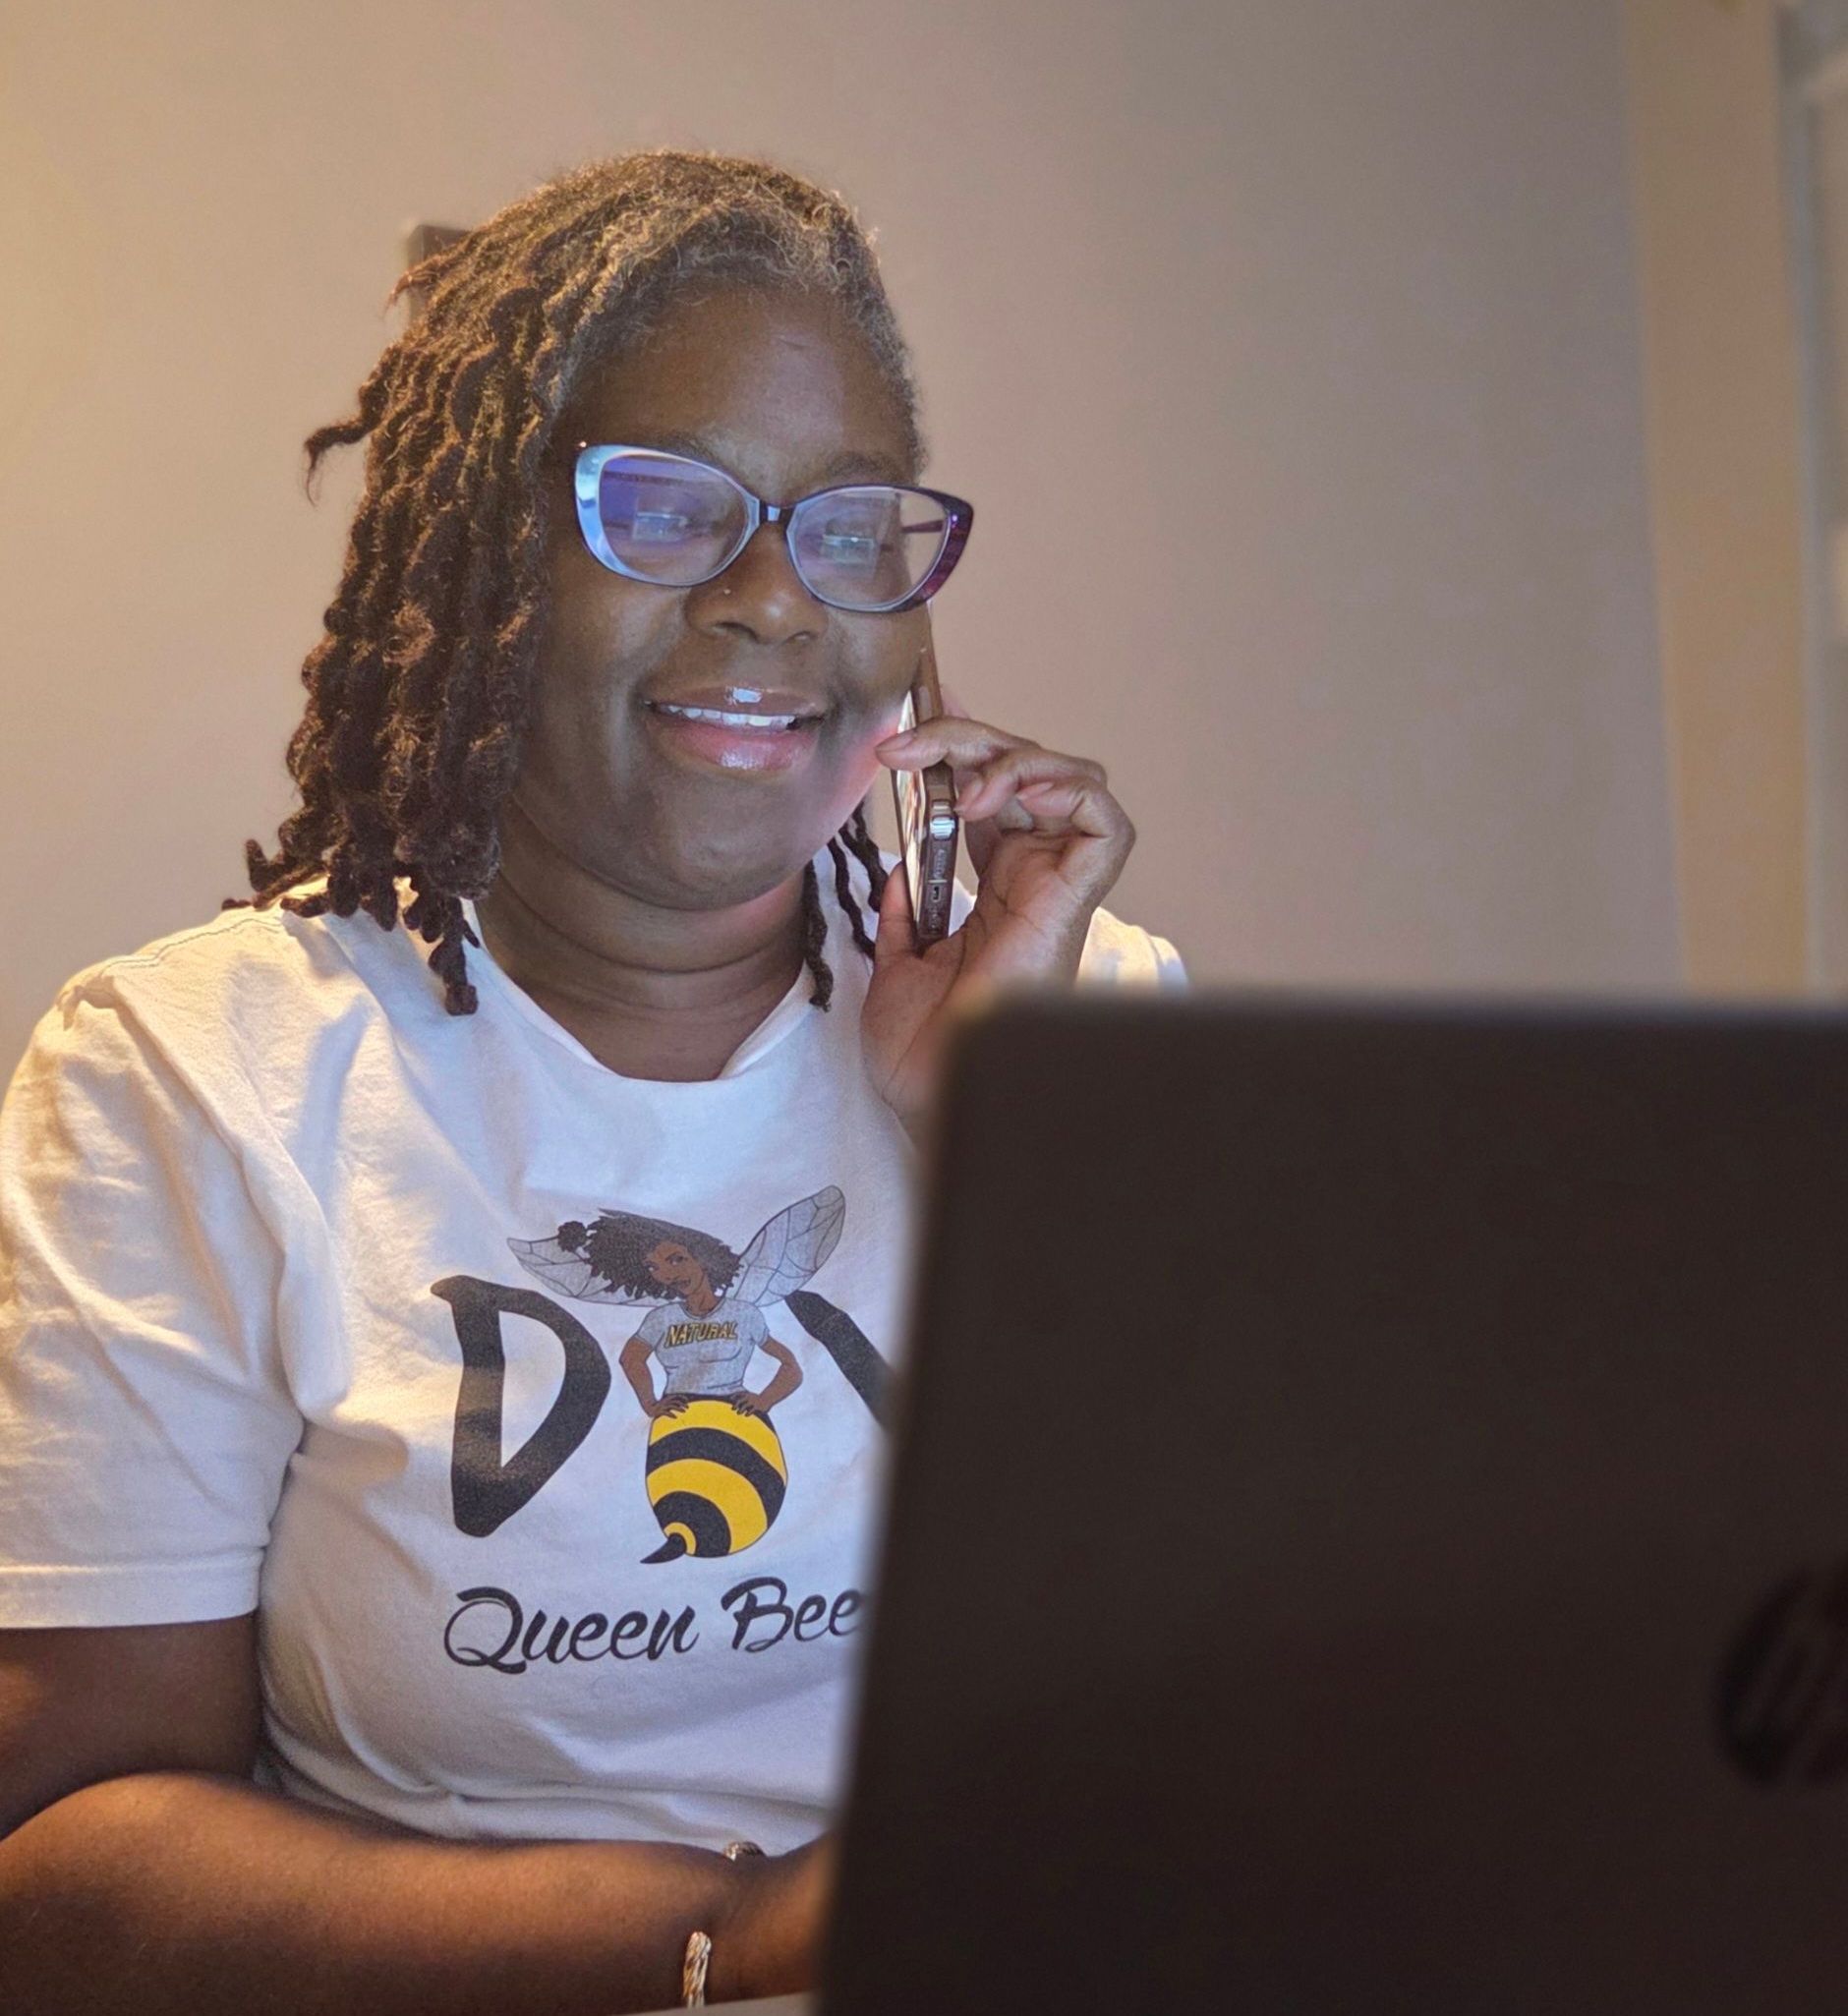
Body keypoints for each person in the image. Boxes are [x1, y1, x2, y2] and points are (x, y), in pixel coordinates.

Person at [0, 149, 1183, 2013]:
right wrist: (744, 1935)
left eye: (849, 527)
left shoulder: (1077, 1011)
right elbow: (64, 1852)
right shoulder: (201, 1076)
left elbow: (1235, 1678)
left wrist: (999, 1144)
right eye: (665, 511)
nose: (776, 600)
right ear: (482, 566)